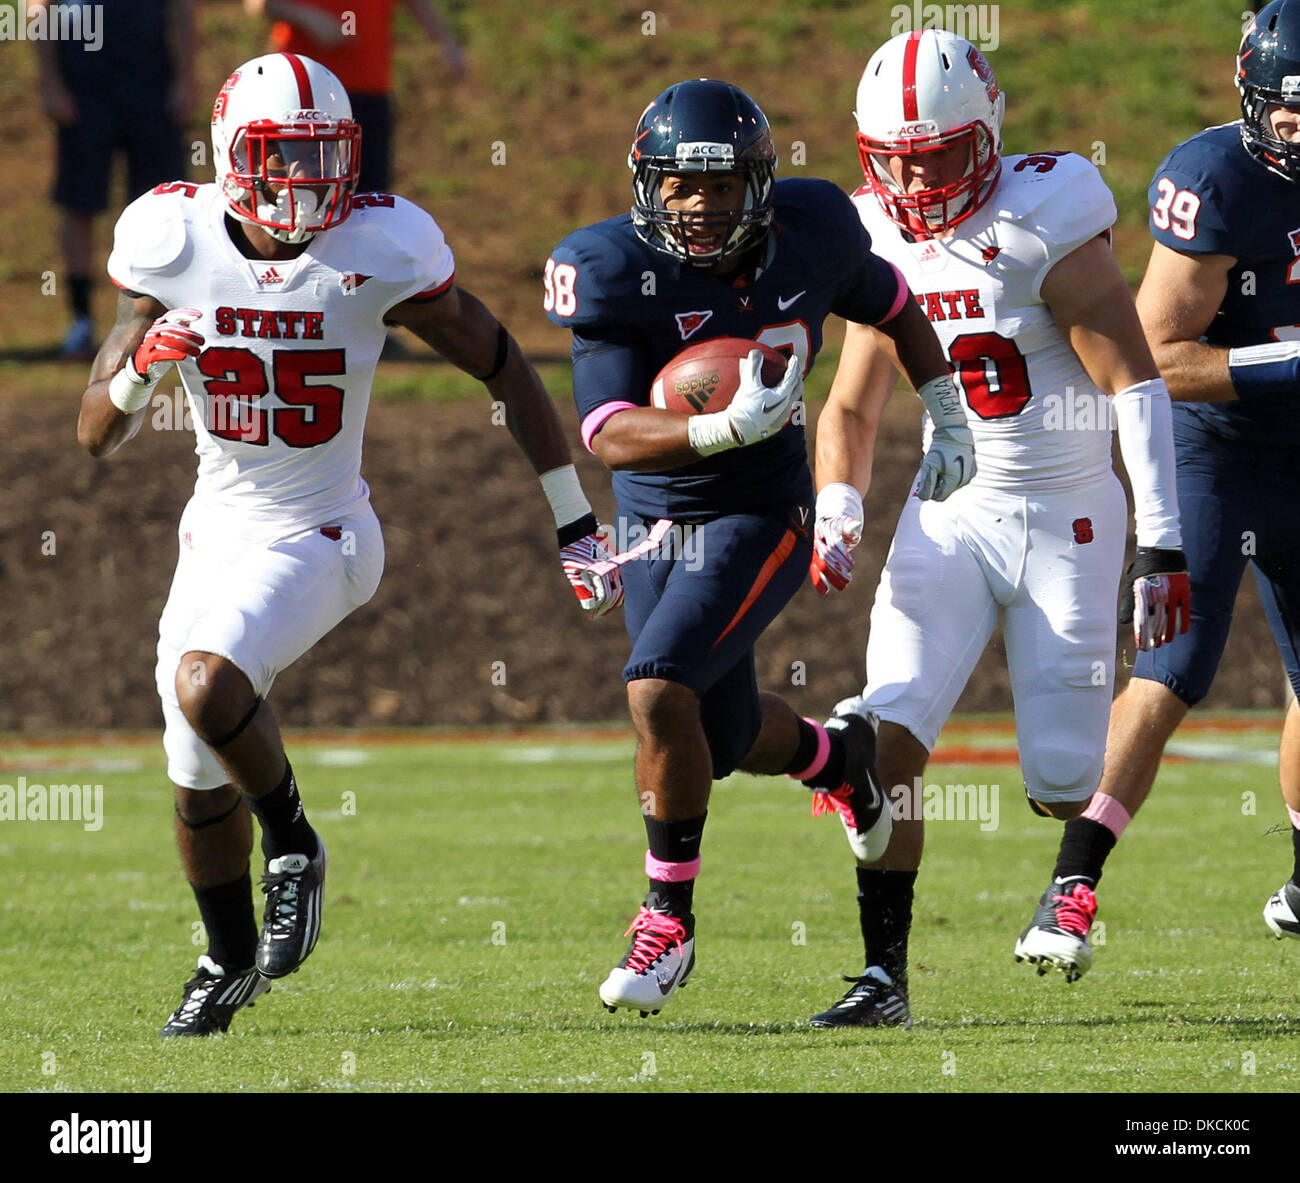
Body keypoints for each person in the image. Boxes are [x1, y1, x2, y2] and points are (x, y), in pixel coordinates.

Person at [77, 53, 616, 1036]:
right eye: (284, 160)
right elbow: (95, 436)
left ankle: (293, 841)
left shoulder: (379, 245)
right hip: (215, 534)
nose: (307, 183)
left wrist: (574, 518)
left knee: (209, 687)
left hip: (327, 532)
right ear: (236, 158)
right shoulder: (171, 237)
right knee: (196, 775)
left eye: (326, 158)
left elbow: (504, 367)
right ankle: (225, 960)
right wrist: (135, 377)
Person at [545, 78, 965, 1016]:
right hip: (654, 513)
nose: (701, 207)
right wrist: (714, 429)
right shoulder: (611, 266)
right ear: (647, 184)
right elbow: (608, 431)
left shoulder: (811, 229)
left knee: (657, 686)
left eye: (724, 187)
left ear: (762, 185)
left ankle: (668, 921)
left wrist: (945, 404)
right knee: (720, 733)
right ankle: (839, 759)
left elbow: (890, 299)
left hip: (761, 510)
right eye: (683, 188)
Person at [808, 29, 1188, 1026]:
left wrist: (1164, 539)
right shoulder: (871, 233)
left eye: (934, 156)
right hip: (948, 514)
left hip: (1066, 514)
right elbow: (850, 403)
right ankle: (883, 975)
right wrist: (838, 507)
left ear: (985, 137)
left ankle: (1072, 876)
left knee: (1063, 780)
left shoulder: (1043, 216)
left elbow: (1136, 386)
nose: (914, 181)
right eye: (892, 161)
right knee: (883, 740)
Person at [1019, 0, 1300, 971]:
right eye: (1290, 111)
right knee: (1172, 666)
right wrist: (1285, 360)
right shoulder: (1214, 178)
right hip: (1215, 444)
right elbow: (1155, 355)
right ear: (1252, 99)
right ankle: (1068, 889)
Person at [34, 0, 196, 359]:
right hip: (83, 83)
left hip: (151, 81)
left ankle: (162, 320)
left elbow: (182, 7)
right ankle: (81, 321)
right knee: (80, 202)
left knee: (164, 207)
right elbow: (40, 8)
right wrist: (49, 81)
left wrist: (187, 77)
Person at [244, 0, 466, 194]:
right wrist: (310, 18)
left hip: (370, 87)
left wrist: (447, 43)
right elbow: (260, 4)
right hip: (307, 93)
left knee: (368, 191)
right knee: (304, 186)